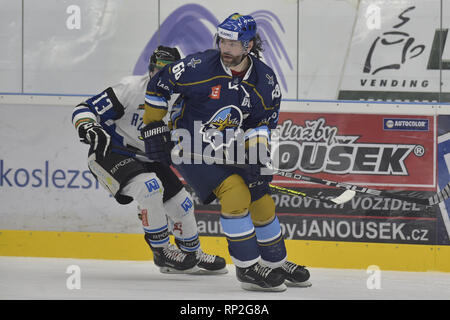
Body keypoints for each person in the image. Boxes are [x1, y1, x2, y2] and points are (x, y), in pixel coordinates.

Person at [140, 13, 311, 291]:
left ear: (249, 45)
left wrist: (256, 158)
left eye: (233, 44)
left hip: (230, 149)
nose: (225, 49)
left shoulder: (265, 80)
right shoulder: (198, 66)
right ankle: (247, 268)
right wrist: (153, 126)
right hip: (190, 147)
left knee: (261, 198)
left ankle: (275, 263)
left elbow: (260, 124)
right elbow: (158, 85)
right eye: (223, 42)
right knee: (235, 192)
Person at [71, 46, 227, 275]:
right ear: (150, 69)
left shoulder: (184, 99)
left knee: (182, 203)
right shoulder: (131, 88)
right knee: (149, 187)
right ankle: (162, 251)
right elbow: (84, 109)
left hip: (148, 158)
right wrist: (89, 127)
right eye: (156, 70)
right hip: (111, 152)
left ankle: (191, 255)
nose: (160, 77)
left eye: (168, 72)